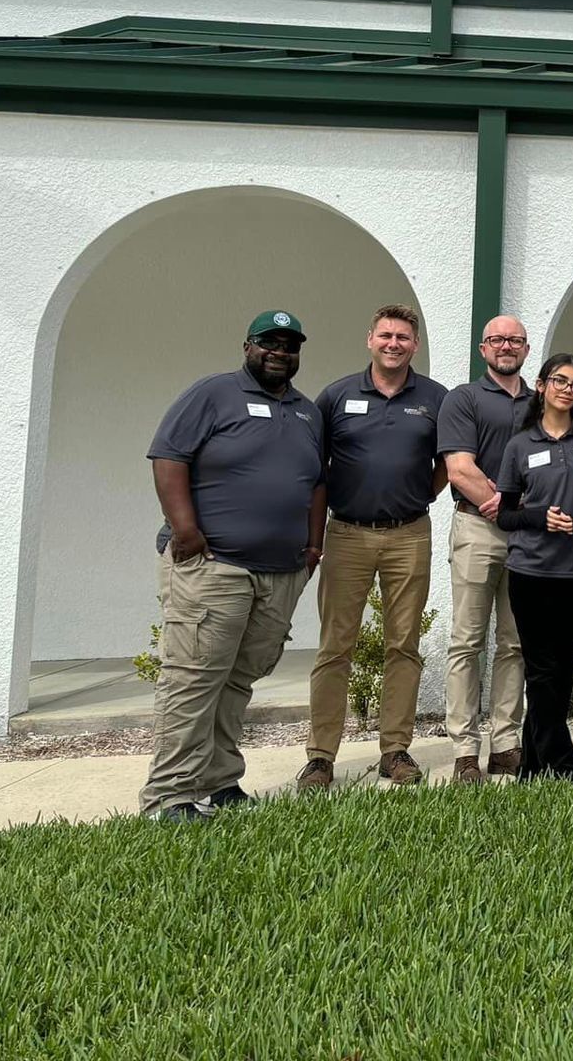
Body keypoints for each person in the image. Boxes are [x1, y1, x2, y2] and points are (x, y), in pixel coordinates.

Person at [140, 310, 325, 820]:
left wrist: (312, 547)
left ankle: (221, 783)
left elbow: (315, 484)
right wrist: (185, 530)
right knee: (193, 678)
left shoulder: (308, 413)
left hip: (280, 571)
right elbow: (168, 457)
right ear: (248, 345)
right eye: (270, 342)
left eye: (290, 344)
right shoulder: (212, 394)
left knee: (239, 679)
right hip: (213, 564)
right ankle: (170, 796)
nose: (280, 351)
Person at [299, 305, 447, 793]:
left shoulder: (434, 399)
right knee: (334, 647)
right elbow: (314, 469)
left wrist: (424, 492)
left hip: (410, 534)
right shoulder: (337, 396)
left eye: (403, 337)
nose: (394, 343)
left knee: (402, 645)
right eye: (386, 335)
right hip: (347, 534)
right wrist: (313, 537)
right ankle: (321, 756)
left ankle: (395, 750)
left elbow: (447, 461)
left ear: (415, 345)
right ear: (370, 339)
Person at [494, 355, 573, 780]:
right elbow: (505, 515)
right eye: (560, 381)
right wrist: (539, 516)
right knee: (540, 667)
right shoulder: (520, 445)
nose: (568, 389)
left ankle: (532, 766)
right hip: (530, 571)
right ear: (542, 386)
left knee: (558, 670)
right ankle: (562, 766)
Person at [436, 315, 534, 784]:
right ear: (483, 348)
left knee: (515, 643)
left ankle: (506, 743)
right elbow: (459, 468)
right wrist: (504, 507)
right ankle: (463, 749)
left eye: (514, 340)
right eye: (497, 340)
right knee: (467, 641)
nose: (506, 346)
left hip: (530, 537)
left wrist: (519, 512)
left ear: (527, 349)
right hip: (478, 528)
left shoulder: (541, 403)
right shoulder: (464, 398)